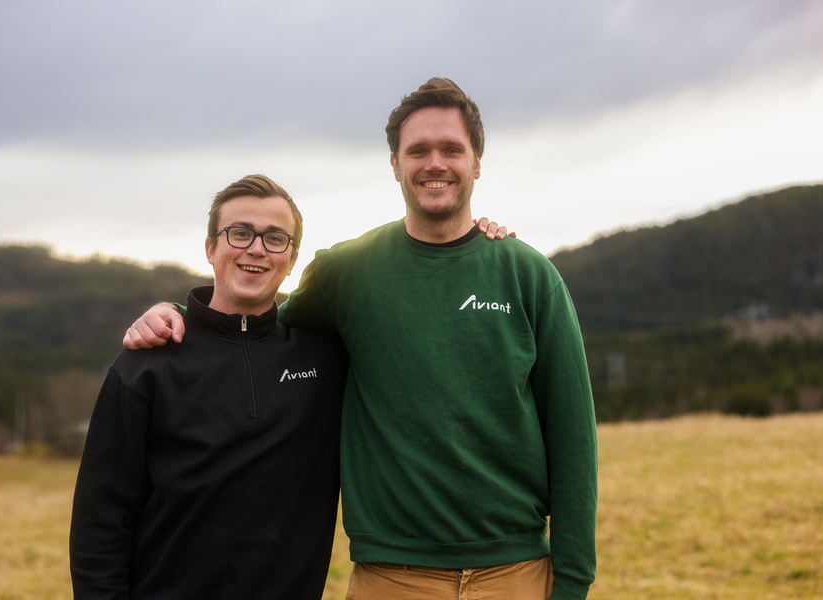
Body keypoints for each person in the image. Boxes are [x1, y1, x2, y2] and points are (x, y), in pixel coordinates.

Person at [126, 78, 598, 600]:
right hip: (390, 577)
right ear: (395, 164)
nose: (434, 163)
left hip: (518, 574)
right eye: (417, 150)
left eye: (451, 150)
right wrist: (174, 314)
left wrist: (572, 582)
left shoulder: (528, 275)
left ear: (477, 162)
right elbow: (254, 323)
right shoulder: (347, 272)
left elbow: (573, 436)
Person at [69, 175, 349, 599]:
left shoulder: (324, 357)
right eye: (240, 233)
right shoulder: (147, 363)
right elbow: (100, 519)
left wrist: (480, 241)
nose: (256, 248)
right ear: (210, 248)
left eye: (275, 238)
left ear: (291, 259)